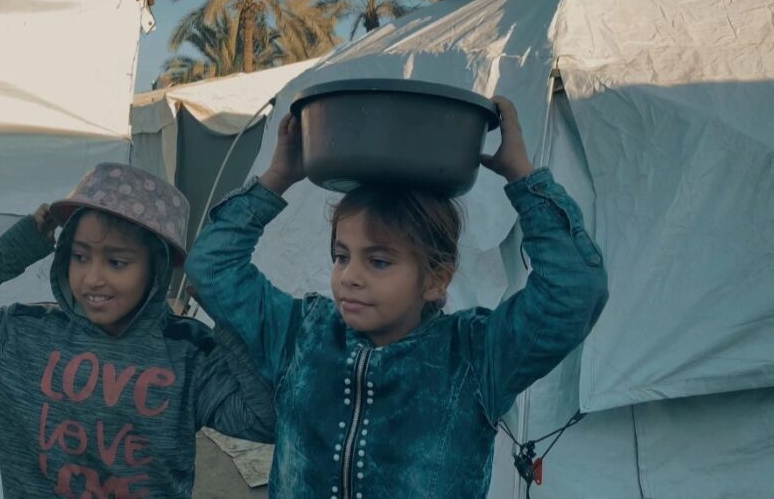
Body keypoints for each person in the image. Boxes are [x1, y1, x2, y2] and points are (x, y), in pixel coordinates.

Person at [184, 96, 609, 498]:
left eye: (379, 262)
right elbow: (211, 267)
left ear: (435, 280)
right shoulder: (301, 334)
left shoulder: (476, 357)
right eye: (341, 256)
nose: (350, 277)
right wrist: (278, 177)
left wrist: (521, 176)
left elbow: (573, 290)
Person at [0, 163, 275, 499]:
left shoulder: (189, 353)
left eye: (117, 262)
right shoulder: (18, 337)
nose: (92, 279)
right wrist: (15, 247)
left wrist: (228, 321)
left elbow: (266, 420)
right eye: (80, 256)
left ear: (155, 269)